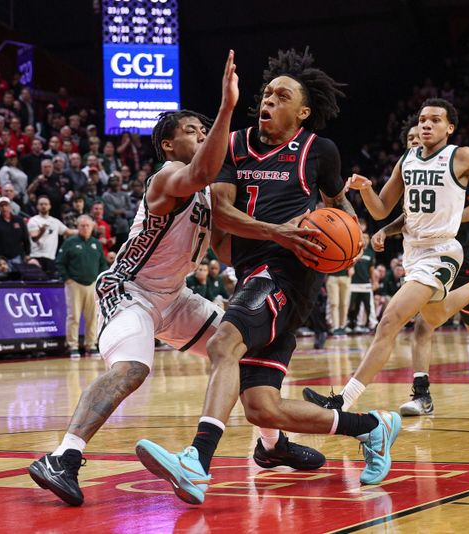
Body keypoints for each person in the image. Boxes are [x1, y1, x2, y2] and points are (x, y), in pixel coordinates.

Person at [29, 52, 319, 507]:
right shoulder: (167, 177)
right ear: (167, 145)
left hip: (176, 297)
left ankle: (272, 444)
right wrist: (227, 107)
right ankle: (62, 456)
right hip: (130, 290)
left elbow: (224, 249)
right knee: (132, 368)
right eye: (192, 131)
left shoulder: (209, 192)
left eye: (207, 131)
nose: (203, 136)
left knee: (243, 354)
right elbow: (204, 168)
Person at [136, 49, 401, 503]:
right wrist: (278, 231)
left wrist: (346, 238)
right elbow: (222, 210)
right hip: (253, 272)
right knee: (262, 407)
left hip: (288, 276)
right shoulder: (234, 146)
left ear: (303, 112)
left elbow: (344, 214)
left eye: (282, 96)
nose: (269, 100)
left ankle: (196, 461)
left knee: (223, 344)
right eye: (267, 93)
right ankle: (374, 427)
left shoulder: (320, 151)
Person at [303, 98, 469, 412]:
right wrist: (365, 190)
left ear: (450, 127)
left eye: (435, 120)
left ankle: (342, 401)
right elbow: (380, 210)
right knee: (432, 317)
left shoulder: (461, 156)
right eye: (422, 120)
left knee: (389, 320)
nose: (426, 125)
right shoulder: (407, 160)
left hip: (443, 251)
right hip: (412, 253)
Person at [370, 117, 469, 414]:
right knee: (422, 325)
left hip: (459, 252)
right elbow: (406, 218)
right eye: (412, 141)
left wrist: (449, 216)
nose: (418, 143)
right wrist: (384, 231)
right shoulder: (410, 170)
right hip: (426, 257)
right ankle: (422, 394)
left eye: (422, 137)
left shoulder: (453, 167)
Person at [55, 215, 107, 358]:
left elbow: (103, 263)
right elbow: (59, 262)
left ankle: (91, 344)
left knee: (93, 317)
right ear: (77, 227)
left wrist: (100, 279)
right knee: (74, 316)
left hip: (92, 285)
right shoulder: (69, 243)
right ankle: (73, 345)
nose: (85, 228)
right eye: (82, 226)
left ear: (92, 227)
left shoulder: (96, 244)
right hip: (74, 285)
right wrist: (67, 279)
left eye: (87, 225)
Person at [28, 195, 76, 277]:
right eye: (41, 204)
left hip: (50, 258)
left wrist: (84, 230)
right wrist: (41, 232)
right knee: (36, 283)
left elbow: (68, 232)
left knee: (51, 283)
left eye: (46, 204)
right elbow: (34, 238)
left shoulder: (55, 221)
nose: (43, 206)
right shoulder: (33, 220)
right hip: (37, 257)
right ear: (37, 206)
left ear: (50, 206)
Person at [347, 226, 377, 333]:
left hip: (365, 284)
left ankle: (373, 324)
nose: (365, 239)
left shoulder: (370, 252)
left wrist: (374, 282)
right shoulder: (354, 250)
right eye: (363, 237)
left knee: (369, 306)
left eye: (367, 238)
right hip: (352, 283)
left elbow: (372, 269)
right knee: (350, 305)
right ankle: (348, 324)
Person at [0, 195, 29, 264]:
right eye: (1, 206)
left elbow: (25, 238)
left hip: (17, 256)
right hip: (0, 259)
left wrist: (27, 254)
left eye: (6, 205)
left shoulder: (19, 220)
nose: (4, 208)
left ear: (10, 206)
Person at [326, 266, 351, 335]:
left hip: (345, 276)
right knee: (334, 304)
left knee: (344, 303)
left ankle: (342, 326)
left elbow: (355, 257)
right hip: (332, 277)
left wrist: (352, 266)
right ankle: (335, 327)